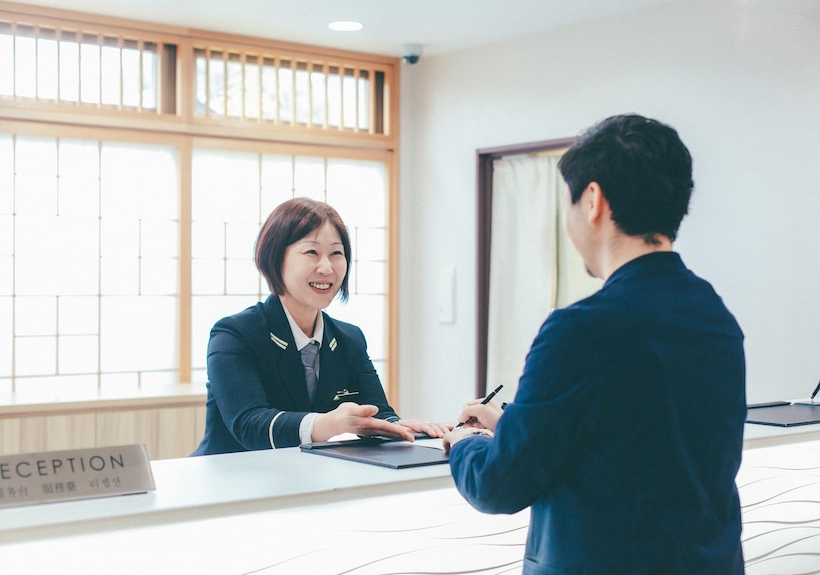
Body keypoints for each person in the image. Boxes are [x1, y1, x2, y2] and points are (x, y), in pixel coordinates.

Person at [443, 114, 746, 574]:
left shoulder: (581, 331)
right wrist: (514, 423)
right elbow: (637, 438)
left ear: (592, 201)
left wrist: (464, 440)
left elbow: (497, 484)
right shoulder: (716, 318)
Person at [193, 198, 449, 455]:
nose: (326, 268)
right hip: (229, 482)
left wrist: (400, 427)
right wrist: (330, 423)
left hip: (307, 480)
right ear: (275, 258)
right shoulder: (234, 334)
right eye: (311, 252)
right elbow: (250, 425)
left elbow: (375, 411)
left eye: (336, 253)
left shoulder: (350, 339)